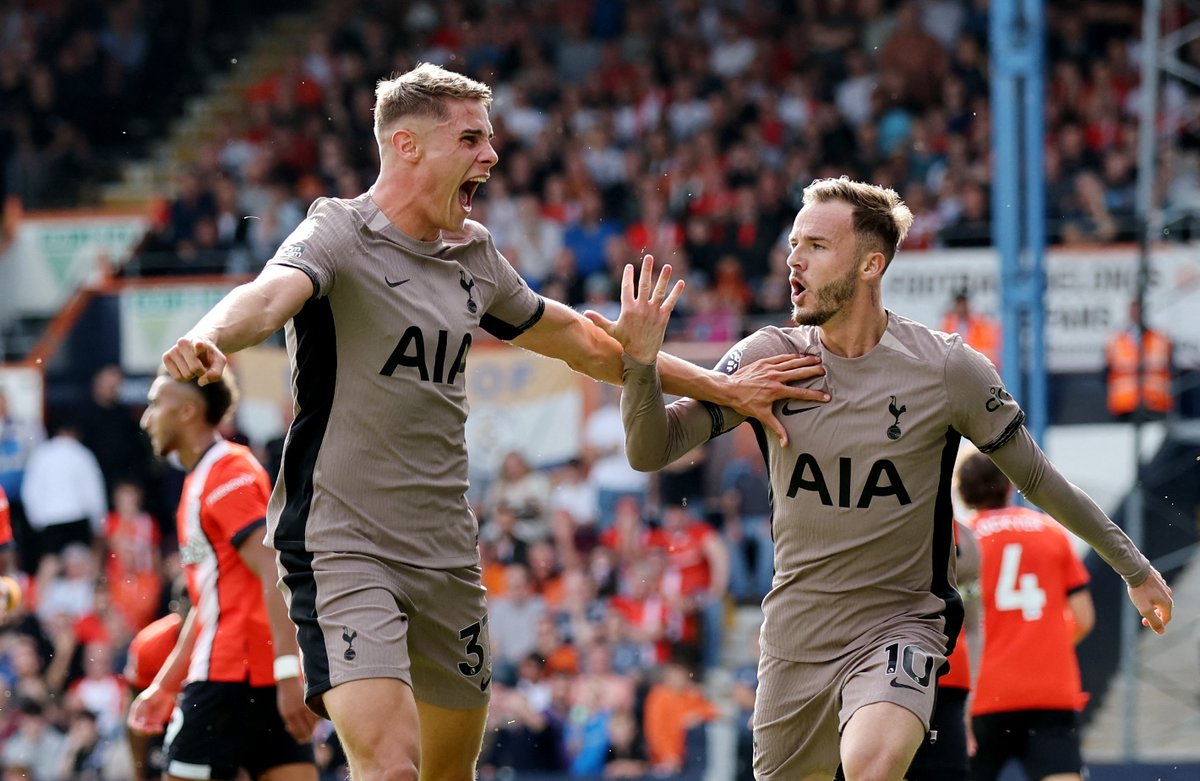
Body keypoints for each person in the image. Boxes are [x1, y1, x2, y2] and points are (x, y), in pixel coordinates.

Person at [156, 62, 826, 781]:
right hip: (344, 543)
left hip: (445, 548)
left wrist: (726, 388)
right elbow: (263, 299)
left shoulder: (473, 253)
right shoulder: (338, 233)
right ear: (408, 145)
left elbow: (589, 344)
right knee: (389, 765)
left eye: (491, 138)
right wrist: (210, 338)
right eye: (472, 138)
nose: (492, 156)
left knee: (449, 773)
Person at [606, 176, 1173, 781]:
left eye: (817, 245)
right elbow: (651, 449)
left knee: (872, 766)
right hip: (796, 635)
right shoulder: (767, 356)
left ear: (871, 263)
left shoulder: (947, 368)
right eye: (793, 243)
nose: (792, 258)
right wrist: (640, 363)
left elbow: (1036, 477)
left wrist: (1134, 568)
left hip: (900, 623)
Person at [126, 371, 318, 781]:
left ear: (189, 411)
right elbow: (208, 601)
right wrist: (165, 684)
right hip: (248, 673)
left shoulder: (228, 473)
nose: (146, 419)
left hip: (232, 677)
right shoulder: (200, 482)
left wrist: (289, 672)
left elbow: (272, 568)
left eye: (156, 404)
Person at [957, 451, 1096, 781]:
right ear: (1008, 487)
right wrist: (1043, 646)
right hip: (1049, 690)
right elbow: (1084, 617)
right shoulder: (1050, 532)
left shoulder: (961, 541)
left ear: (963, 493)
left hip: (982, 693)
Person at [905, 519, 983, 781]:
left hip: (934, 678)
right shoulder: (963, 536)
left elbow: (972, 625)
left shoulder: (964, 537)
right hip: (942, 675)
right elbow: (973, 627)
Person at [1104, 297, 1174, 420]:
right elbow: (1105, 372)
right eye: (1133, 311)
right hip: (1124, 407)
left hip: (1156, 404)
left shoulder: (1160, 339)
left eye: (1139, 310)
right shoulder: (1116, 340)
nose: (1136, 314)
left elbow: (1171, 369)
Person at [939, 290, 1001, 370]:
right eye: (959, 304)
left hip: (975, 366)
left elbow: (990, 352)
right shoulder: (947, 325)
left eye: (963, 304)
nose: (961, 307)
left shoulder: (980, 325)